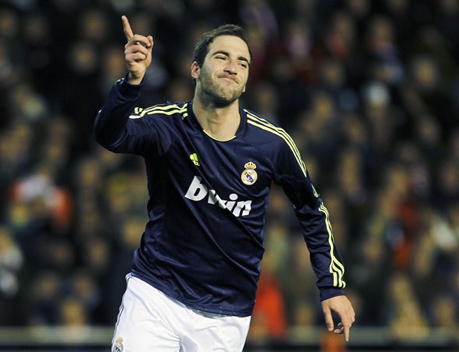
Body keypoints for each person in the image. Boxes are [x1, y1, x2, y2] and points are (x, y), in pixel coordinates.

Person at [94, 15, 355, 352]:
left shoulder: (271, 144)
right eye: (222, 57)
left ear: (246, 81)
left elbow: (311, 210)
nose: (233, 67)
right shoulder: (166, 126)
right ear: (195, 70)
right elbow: (108, 135)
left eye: (242, 63)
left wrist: (331, 286)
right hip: (156, 294)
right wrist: (131, 83)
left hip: (226, 315)